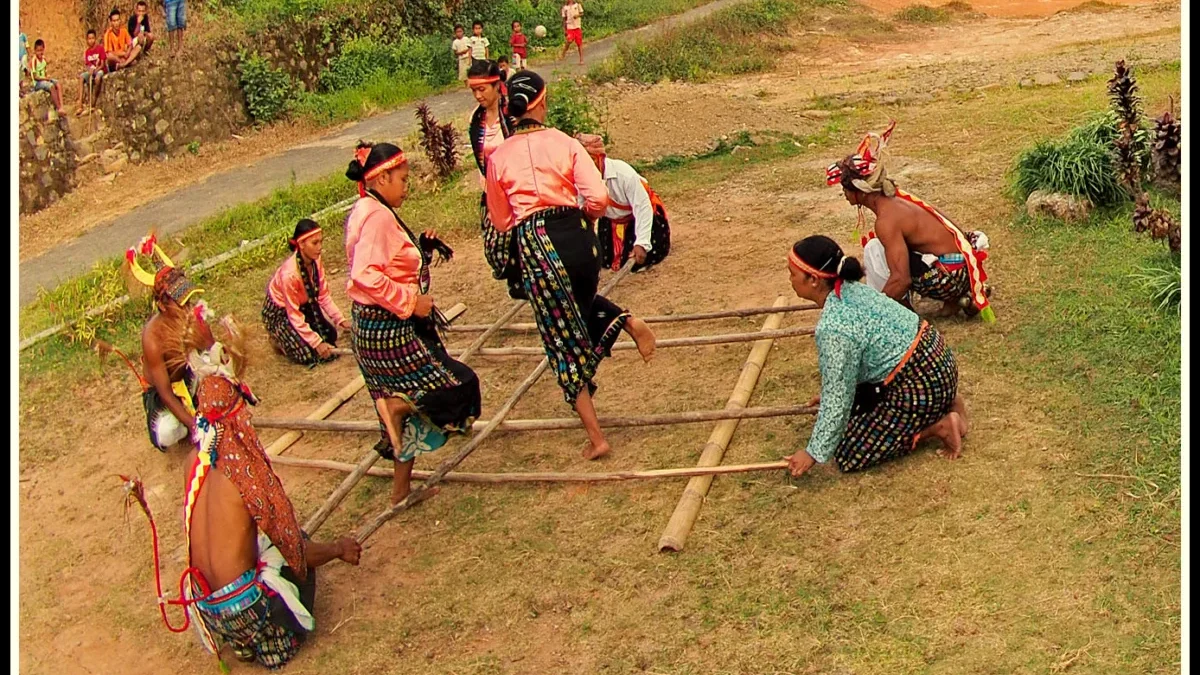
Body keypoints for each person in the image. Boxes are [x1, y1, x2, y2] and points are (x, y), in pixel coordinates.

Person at [170, 315, 362, 669]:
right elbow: (297, 552)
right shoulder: (245, 472)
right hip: (246, 611)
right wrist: (338, 549)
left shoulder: (192, 463)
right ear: (235, 413)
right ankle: (264, 637)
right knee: (291, 550)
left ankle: (238, 639)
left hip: (209, 609)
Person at [485, 71, 657, 460]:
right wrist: (585, 219)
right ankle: (628, 322)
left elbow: (500, 220)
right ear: (541, 103)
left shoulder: (499, 157)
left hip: (537, 244)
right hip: (578, 236)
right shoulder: (565, 143)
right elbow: (596, 195)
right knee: (579, 303)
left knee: (560, 339)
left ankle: (597, 438)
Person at [344, 141, 482, 504]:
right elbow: (365, 275)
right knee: (458, 386)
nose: (407, 186)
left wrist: (421, 248)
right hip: (388, 327)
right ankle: (396, 405)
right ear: (382, 177)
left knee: (401, 419)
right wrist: (411, 302)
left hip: (372, 327)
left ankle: (400, 493)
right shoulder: (375, 216)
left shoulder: (367, 208)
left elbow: (386, 262)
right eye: (403, 179)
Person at [783, 235, 967, 478]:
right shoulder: (853, 289)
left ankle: (937, 427)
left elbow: (838, 397)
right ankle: (947, 401)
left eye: (792, 274)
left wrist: (813, 452)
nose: (790, 280)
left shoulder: (833, 327)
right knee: (853, 410)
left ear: (814, 280)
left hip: (921, 383)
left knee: (850, 451)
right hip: (939, 360)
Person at [827, 121, 994, 321]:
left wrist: (872, 312)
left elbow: (901, 279)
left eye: (845, 189)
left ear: (859, 190)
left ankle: (903, 313)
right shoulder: (897, 199)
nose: (844, 195)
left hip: (950, 277)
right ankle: (955, 301)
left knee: (874, 249)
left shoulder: (887, 220)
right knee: (886, 248)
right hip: (963, 269)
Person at [125, 234, 210, 451]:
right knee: (169, 432)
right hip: (164, 395)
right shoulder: (152, 338)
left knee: (212, 366)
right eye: (180, 304)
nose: (187, 307)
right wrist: (194, 427)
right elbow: (165, 392)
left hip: (188, 376)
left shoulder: (192, 316)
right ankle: (189, 423)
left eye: (188, 301)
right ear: (162, 306)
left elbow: (210, 352)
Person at [576, 133, 671, 273]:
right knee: (605, 261)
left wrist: (642, 243)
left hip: (637, 219)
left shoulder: (624, 174)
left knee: (641, 259)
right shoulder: (581, 179)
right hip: (610, 221)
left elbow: (642, 208)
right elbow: (580, 210)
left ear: (597, 159)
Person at [261, 219, 348, 366]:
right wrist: (316, 343)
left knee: (330, 335)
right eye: (315, 243)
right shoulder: (289, 275)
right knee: (307, 354)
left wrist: (341, 320)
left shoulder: (316, 261)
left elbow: (323, 295)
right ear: (301, 244)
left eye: (321, 242)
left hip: (303, 304)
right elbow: (293, 314)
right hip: (281, 311)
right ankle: (278, 338)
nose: (320, 247)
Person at [467, 60, 519, 297]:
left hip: (518, 187)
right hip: (492, 189)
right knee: (495, 248)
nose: (478, 96)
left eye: (482, 90)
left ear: (497, 86)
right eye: (474, 91)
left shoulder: (513, 114)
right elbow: (481, 161)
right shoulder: (475, 121)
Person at [28, 39, 65, 114]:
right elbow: (35, 77)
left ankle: (61, 106)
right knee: (51, 86)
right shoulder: (34, 61)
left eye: (41, 50)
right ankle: (58, 108)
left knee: (58, 83)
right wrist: (45, 79)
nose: (40, 52)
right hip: (38, 83)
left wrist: (47, 77)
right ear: (35, 51)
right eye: (38, 51)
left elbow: (45, 71)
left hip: (44, 79)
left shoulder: (44, 59)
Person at [76, 29, 106, 115]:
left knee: (97, 78)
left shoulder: (100, 48)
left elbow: (103, 64)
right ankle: (80, 104)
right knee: (82, 77)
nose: (91, 40)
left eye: (93, 38)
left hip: (100, 70)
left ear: (95, 39)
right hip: (91, 71)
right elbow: (88, 65)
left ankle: (94, 101)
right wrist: (90, 71)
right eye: (89, 39)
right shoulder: (87, 52)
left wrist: (96, 70)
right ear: (87, 40)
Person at [560, 0, 584, 65]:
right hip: (569, 27)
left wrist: (577, 15)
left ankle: (581, 59)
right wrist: (565, 29)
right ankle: (564, 52)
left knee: (579, 43)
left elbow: (582, 13)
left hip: (577, 26)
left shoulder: (577, 5)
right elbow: (564, 19)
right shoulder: (565, 8)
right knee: (569, 40)